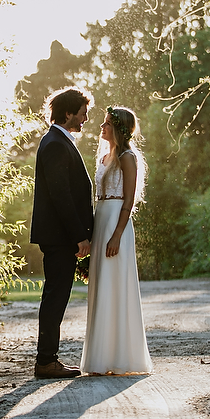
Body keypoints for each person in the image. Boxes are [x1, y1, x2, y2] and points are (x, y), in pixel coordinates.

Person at [80, 105, 152, 376]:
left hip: (116, 225)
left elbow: (130, 200)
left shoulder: (127, 157)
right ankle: (101, 357)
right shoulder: (105, 157)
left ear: (119, 128)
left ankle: (122, 356)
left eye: (106, 123)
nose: (101, 127)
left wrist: (117, 235)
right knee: (101, 287)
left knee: (117, 286)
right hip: (101, 222)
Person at [30, 87, 94, 379]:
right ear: (68, 112)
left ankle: (48, 358)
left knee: (57, 295)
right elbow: (61, 195)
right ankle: (46, 360)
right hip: (59, 237)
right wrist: (79, 235)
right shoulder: (55, 143)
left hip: (58, 236)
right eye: (82, 113)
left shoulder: (59, 140)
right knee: (56, 296)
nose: (85, 119)